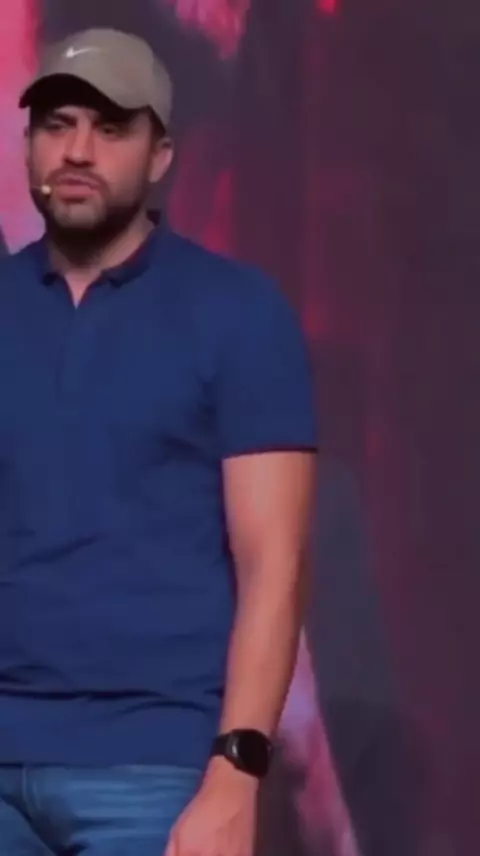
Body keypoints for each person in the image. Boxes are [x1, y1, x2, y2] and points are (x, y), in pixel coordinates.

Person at [0, 26, 317, 856]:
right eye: (57, 125)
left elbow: (275, 565)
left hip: (157, 771)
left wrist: (236, 772)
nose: (77, 150)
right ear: (29, 144)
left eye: (110, 128)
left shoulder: (238, 314)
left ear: (160, 155)